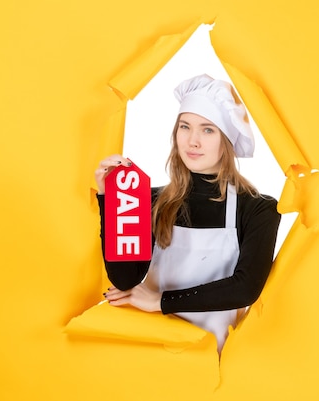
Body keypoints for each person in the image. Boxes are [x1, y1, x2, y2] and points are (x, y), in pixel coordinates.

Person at [94, 74, 281, 352]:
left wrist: (161, 300)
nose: (192, 141)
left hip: (211, 359)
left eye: (207, 130)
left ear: (226, 140)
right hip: (151, 349)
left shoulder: (257, 208)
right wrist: (112, 201)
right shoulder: (149, 198)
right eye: (185, 127)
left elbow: (245, 288)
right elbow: (125, 279)